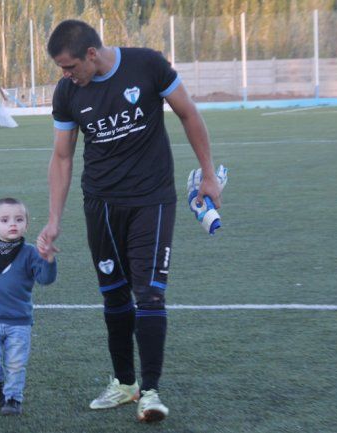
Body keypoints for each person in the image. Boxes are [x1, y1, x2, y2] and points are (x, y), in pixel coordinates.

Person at [36, 20, 223, 423]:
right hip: (100, 205)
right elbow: (63, 156)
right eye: (61, 71)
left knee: (150, 293)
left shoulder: (148, 65)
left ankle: (151, 392)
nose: (66, 76)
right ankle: (124, 384)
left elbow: (188, 114)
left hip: (151, 201)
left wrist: (208, 174)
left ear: (91, 54)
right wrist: (53, 219)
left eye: (69, 67)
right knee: (114, 295)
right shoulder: (68, 92)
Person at [0, 197, 57, 416]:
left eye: (19, 219)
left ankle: (13, 398)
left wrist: (49, 259)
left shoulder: (31, 253)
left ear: (27, 224)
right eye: (5, 220)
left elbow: (45, 279)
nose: (13, 224)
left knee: (16, 364)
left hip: (19, 322)